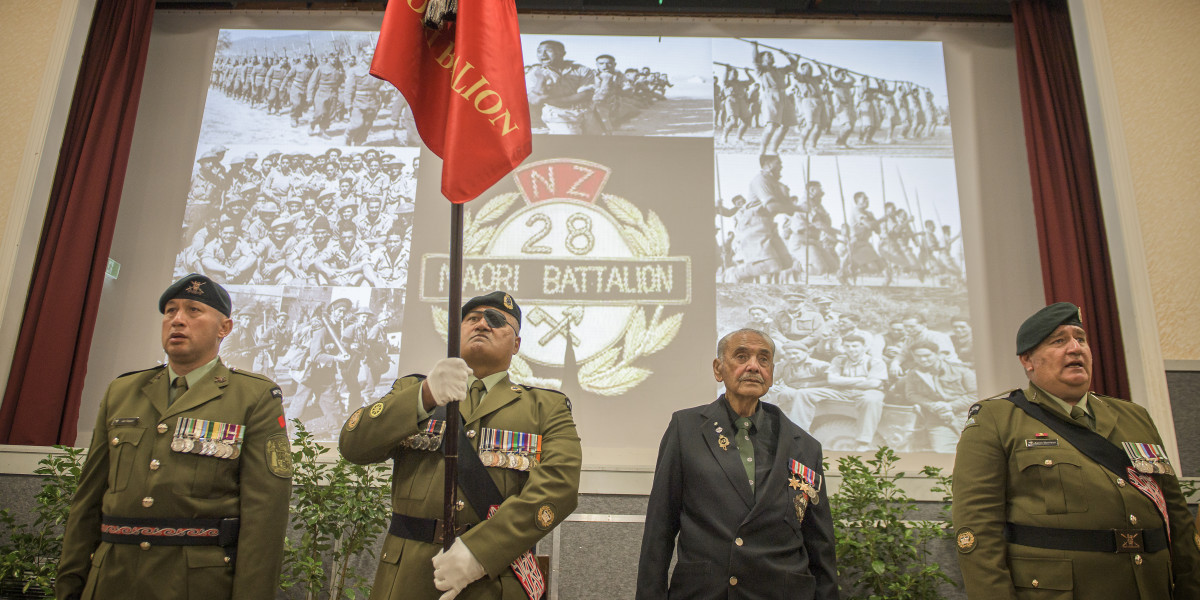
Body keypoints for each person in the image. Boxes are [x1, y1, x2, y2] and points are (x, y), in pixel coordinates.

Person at [56, 274, 292, 600]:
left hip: (194, 583)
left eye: (194, 310)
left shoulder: (253, 397)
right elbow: (88, 500)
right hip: (112, 578)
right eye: (170, 311)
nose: (177, 320)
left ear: (224, 328)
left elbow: (265, 516)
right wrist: (70, 584)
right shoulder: (123, 392)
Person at [339, 291, 581, 600]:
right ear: (457, 334)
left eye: (496, 320)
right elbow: (353, 445)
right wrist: (424, 396)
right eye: (472, 319)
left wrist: (479, 552)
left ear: (516, 344)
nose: (482, 324)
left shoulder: (546, 407)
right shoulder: (412, 391)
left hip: (497, 580)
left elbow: (559, 487)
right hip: (408, 579)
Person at [953, 302, 1200, 599]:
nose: (1075, 348)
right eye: (1059, 341)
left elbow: (1178, 519)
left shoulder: (1134, 417)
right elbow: (979, 529)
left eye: (1080, 339)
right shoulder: (996, 420)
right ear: (1028, 360)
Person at [636, 328, 838, 600]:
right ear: (719, 369)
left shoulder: (804, 445)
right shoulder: (686, 430)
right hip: (708, 592)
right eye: (741, 356)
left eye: (763, 359)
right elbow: (660, 528)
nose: (753, 366)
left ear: (772, 372)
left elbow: (820, 544)